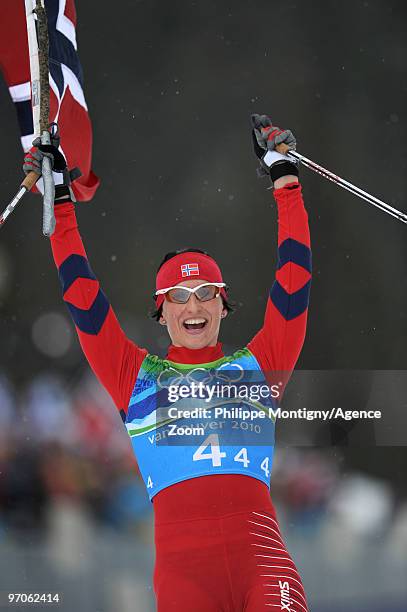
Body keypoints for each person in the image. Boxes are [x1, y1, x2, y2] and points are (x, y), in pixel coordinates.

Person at [24, 114, 311, 611]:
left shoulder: (260, 365)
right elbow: (83, 300)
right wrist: (61, 203)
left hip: (263, 562)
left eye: (205, 294)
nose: (193, 307)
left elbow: (293, 283)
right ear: (161, 313)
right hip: (185, 579)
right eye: (177, 296)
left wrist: (285, 180)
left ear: (224, 305)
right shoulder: (135, 378)